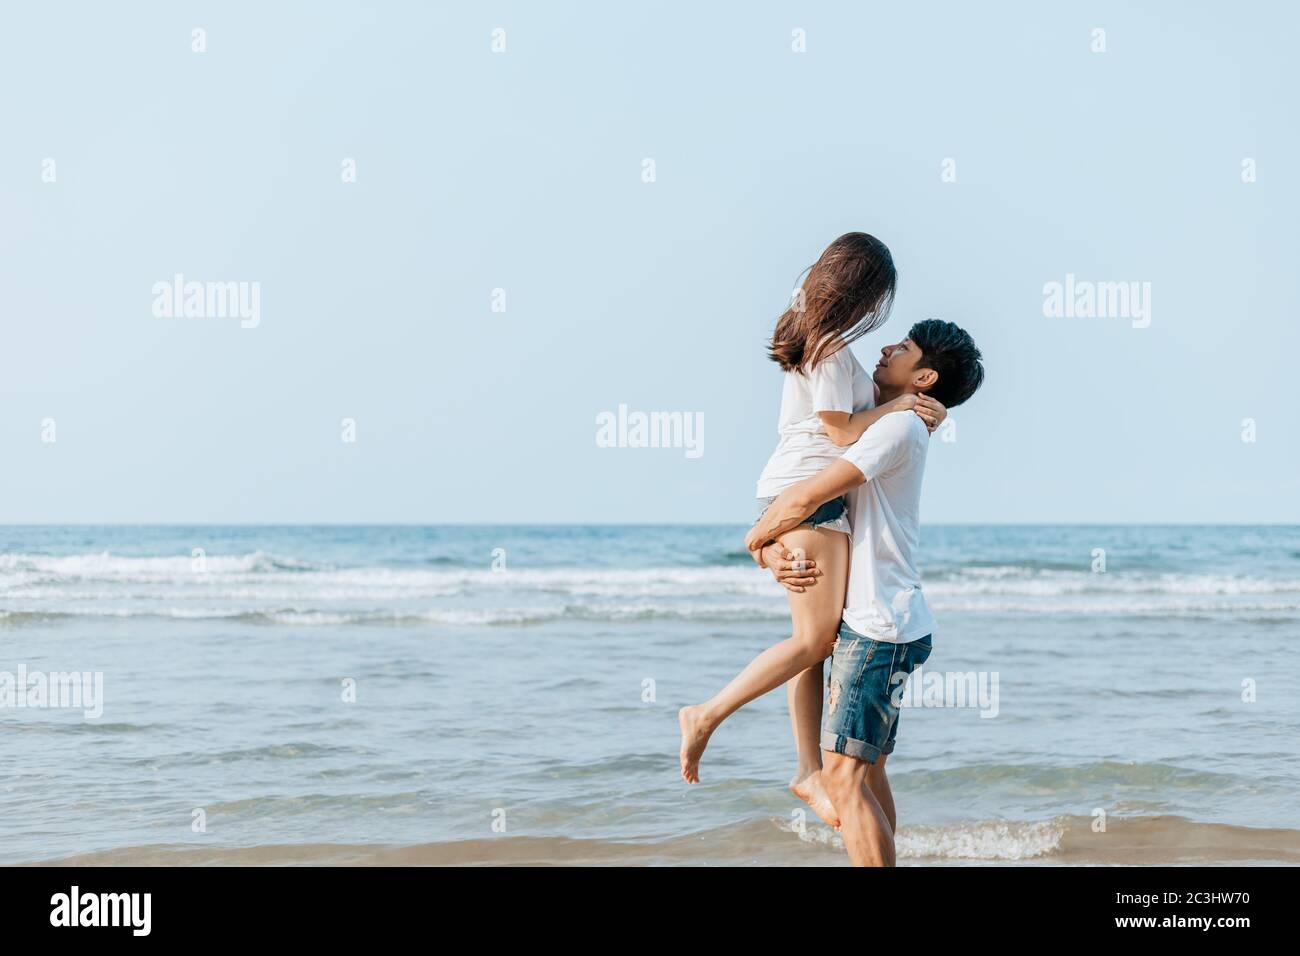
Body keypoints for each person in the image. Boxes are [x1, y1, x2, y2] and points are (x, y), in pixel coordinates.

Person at [676, 233, 945, 831]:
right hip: (806, 494)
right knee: (814, 640)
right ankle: (707, 715)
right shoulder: (825, 347)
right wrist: (901, 409)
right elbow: (847, 433)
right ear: (859, 292)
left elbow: (885, 415)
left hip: (806, 500)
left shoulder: (832, 347)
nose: (882, 318)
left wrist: (923, 407)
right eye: (877, 297)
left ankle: (805, 770)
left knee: (814, 640)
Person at [743, 319, 985, 865]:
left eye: (902, 348)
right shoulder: (902, 422)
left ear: (923, 376)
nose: (885, 347)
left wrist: (757, 538)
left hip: (878, 627)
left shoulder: (896, 430)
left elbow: (813, 492)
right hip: (891, 622)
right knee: (868, 772)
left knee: (844, 779)